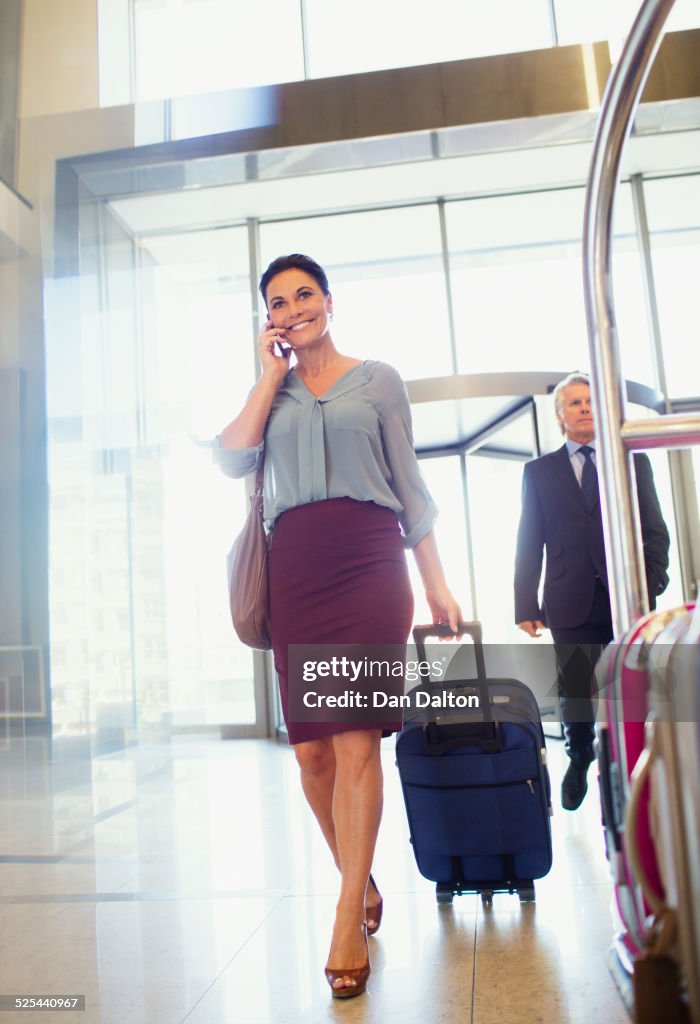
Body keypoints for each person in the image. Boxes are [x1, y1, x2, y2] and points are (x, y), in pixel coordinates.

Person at [215, 254, 461, 998]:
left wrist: (438, 582)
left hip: (368, 565)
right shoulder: (273, 392)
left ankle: (347, 913)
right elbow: (231, 460)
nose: (294, 309)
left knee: (355, 742)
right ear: (269, 319)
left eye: (305, 295)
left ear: (329, 301)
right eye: (279, 303)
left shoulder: (378, 380)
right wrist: (268, 372)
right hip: (296, 572)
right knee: (311, 756)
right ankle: (359, 878)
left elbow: (409, 485)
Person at [514, 371, 670, 811]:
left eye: (591, 401)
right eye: (576, 402)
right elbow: (529, 539)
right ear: (560, 415)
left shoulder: (631, 461)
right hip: (568, 597)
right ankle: (580, 755)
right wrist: (525, 603)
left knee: (631, 686)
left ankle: (632, 761)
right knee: (576, 690)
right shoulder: (539, 472)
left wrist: (652, 580)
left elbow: (654, 530)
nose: (585, 408)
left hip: (626, 598)